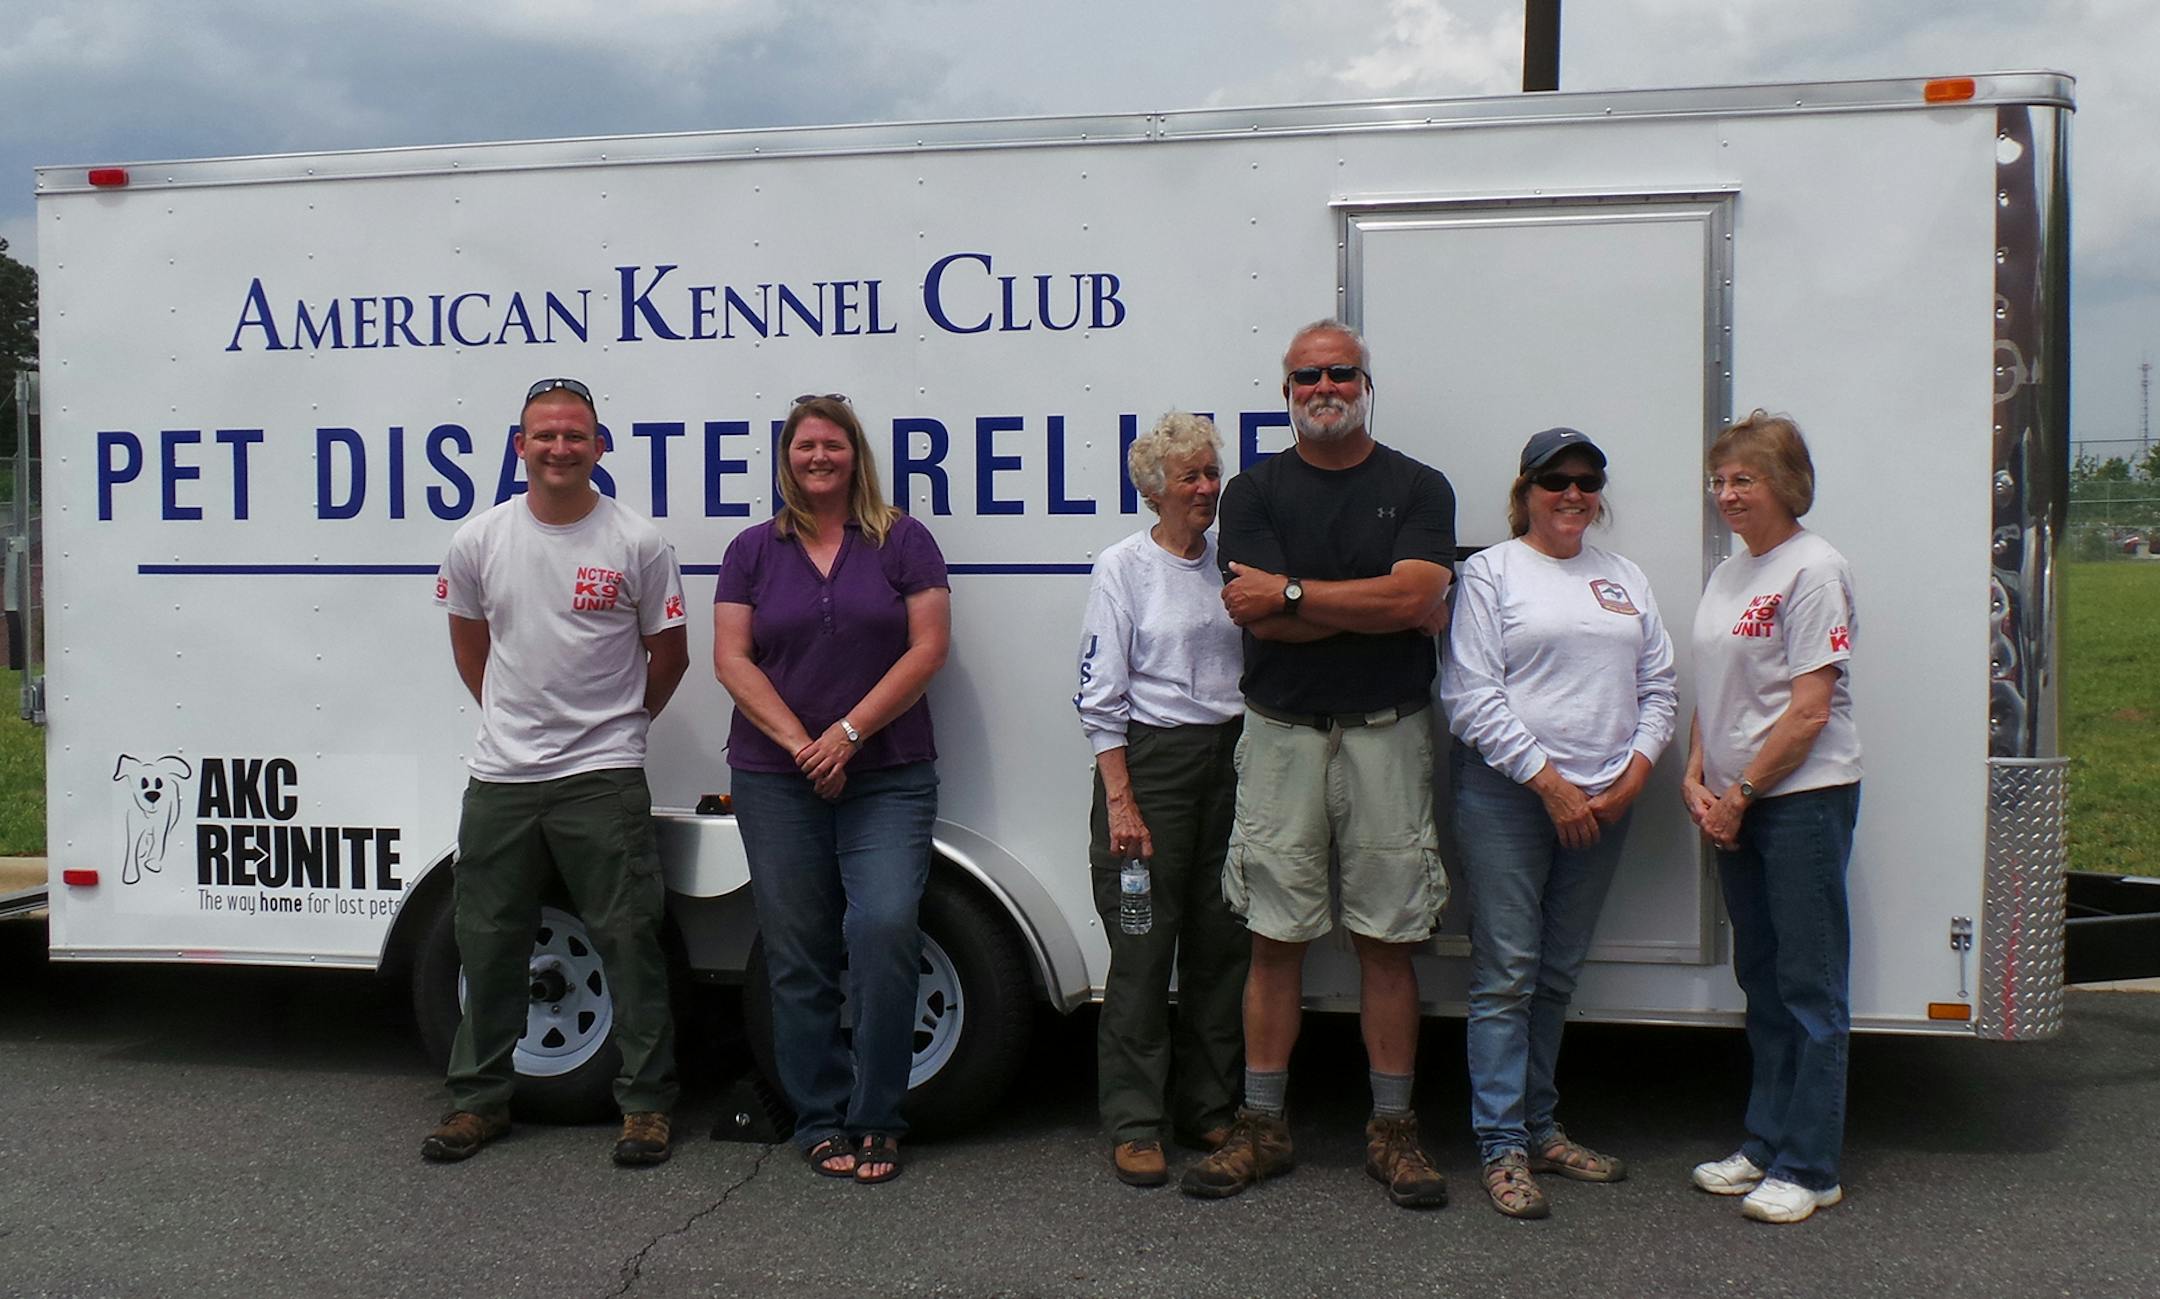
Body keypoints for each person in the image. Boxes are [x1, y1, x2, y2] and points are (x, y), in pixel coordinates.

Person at [1182, 320, 1457, 1209]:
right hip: (1283, 734)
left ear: (1365, 383)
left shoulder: (1418, 485)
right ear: (1287, 388)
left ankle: (1393, 1132)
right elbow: (1254, 618)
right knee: (1274, 936)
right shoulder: (1254, 491)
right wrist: (1372, 605)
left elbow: (1417, 593)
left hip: (1387, 734)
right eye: (1308, 376)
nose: (1324, 386)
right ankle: (1262, 1126)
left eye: (1341, 372)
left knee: (1388, 938)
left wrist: (1297, 591)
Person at [424, 376, 690, 1167]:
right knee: (488, 939)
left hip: (602, 772)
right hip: (501, 775)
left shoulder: (637, 543)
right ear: (520, 447)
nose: (561, 447)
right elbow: (472, 648)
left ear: (600, 447)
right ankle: (477, 1101)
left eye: (576, 435)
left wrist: (617, 727)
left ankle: (645, 1106)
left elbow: (669, 657)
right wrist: (516, 722)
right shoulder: (478, 541)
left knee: (629, 937)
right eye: (545, 435)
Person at [713, 393, 951, 1186]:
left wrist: (847, 733)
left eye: (833, 445)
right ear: (786, 458)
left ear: (856, 455)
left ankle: (878, 1114)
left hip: (889, 774)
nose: (819, 457)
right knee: (797, 951)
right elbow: (732, 659)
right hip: (775, 778)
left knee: (883, 929)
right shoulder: (751, 549)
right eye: (805, 445)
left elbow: (927, 648)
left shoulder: (901, 541)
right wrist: (801, 744)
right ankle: (818, 1115)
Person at [1440, 427, 1678, 1218]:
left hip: (1606, 803)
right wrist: (1551, 784)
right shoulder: (1490, 574)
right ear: (1526, 491)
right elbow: (1471, 696)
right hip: (1511, 797)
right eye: (1555, 479)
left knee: (1555, 972)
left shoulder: (1624, 578)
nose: (1573, 493)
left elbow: (1661, 687)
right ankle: (1501, 1146)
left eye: (1587, 479)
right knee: (1506, 971)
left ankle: (1542, 1127)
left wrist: (1632, 776)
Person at [1681, 410, 1861, 1225]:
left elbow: (1810, 710)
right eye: (1720, 480)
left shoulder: (1814, 568)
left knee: (1809, 986)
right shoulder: (1728, 573)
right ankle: (1765, 1140)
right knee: (1762, 983)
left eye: (1744, 479)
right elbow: (1715, 688)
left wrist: (1740, 793)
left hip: (1797, 802)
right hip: (1736, 801)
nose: (1727, 494)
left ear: (1786, 484)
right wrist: (1696, 771)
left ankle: (1811, 1164)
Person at [1073, 411, 1249, 1188]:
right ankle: (1136, 1120)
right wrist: (1122, 800)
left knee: (1223, 942)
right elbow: (1099, 692)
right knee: (1144, 949)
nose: (1207, 487)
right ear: (1155, 489)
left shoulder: (1232, 565)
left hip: (1232, 763)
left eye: (1212, 472)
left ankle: (1207, 1105)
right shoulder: (1124, 567)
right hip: (1153, 765)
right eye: (1191, 476)